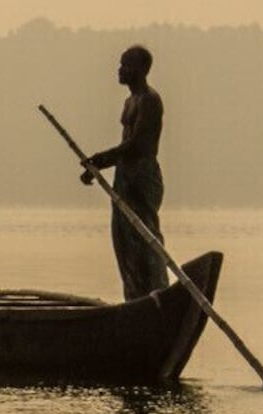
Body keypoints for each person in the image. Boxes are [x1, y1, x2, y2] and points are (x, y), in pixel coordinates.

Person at [81, 45, 168, 300]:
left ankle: (158, 292)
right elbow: (126, 146)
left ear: (141, 69)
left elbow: (138, 144)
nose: (119, 70)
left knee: (145, 236)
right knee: (124, 239)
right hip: (124, 175)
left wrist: (100, 160)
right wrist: (98, 166)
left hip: (143, 175)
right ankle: (135, 297)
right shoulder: (129, 101)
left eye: (125, 65)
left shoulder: (150, 100)